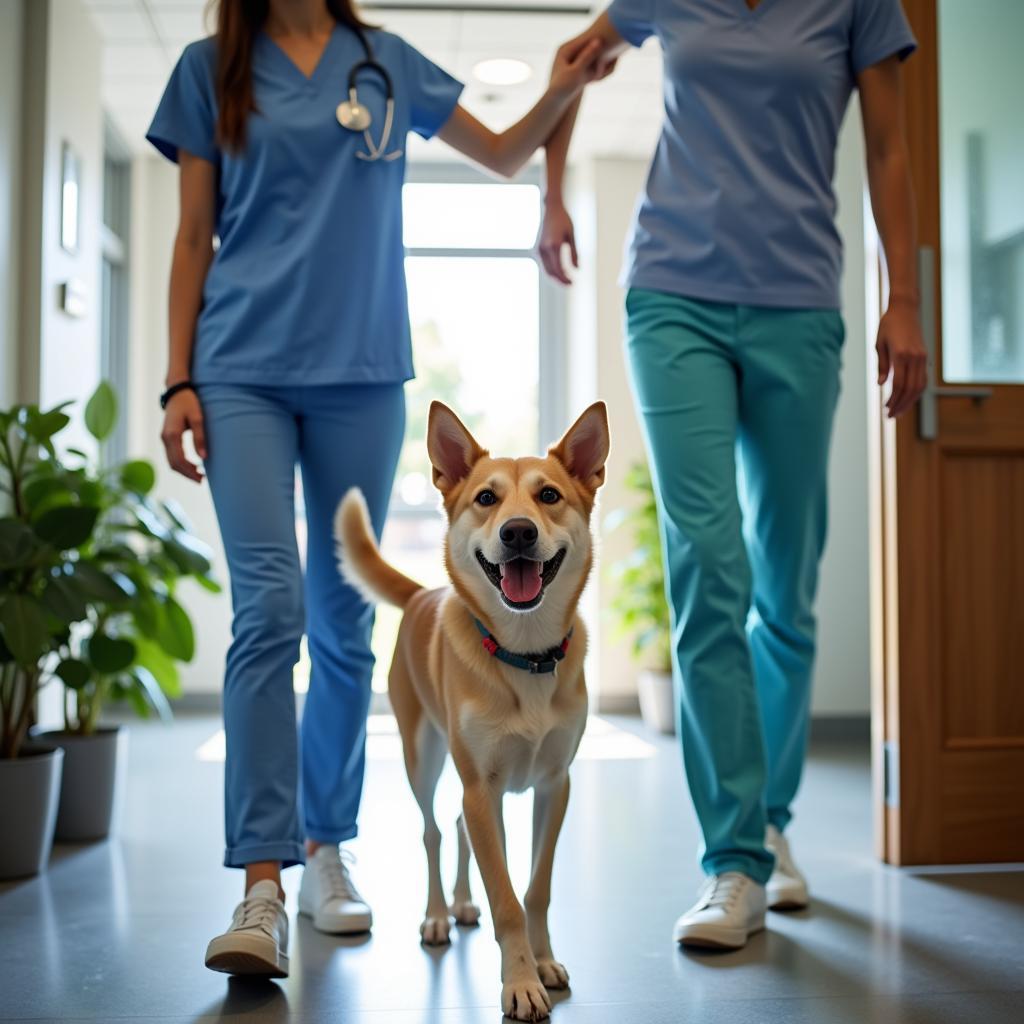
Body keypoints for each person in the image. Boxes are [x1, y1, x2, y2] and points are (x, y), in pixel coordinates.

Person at [147, 0, 603, 978]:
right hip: (241, 366)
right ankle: (260, 883)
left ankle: (326, 851)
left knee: (343, 623)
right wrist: (178, 378)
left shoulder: (385, 63)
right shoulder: (208, 67)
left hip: (360, 371)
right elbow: (193, 235)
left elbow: (506, 150)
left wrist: (562, 81)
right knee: (267, 608)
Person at [538, 0, 926, 950]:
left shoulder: (859, 4)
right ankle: (731, 863)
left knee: (785, 586)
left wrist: (904, 295)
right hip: (674, 297)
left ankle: (770, 822)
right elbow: (572, 59)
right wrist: (550, 192)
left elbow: (889, 148)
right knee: (710, 567)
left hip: (799, 303)